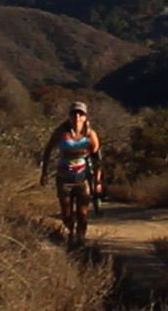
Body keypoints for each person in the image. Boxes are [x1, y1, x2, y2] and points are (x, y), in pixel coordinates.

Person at [40, 100, 101, 247]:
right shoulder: (61, 132)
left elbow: (97, 157)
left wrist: (98, 181)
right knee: (67, 215)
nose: (77, 117)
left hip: (82, 179)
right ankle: (71, 233)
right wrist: (44, 172)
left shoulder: (90, 134)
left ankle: (80, 240)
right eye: (74, 113)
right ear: (69, 115)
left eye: (81, 114)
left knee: (82, 214)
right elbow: (48, 149)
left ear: (85, 117)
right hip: (63, 179)